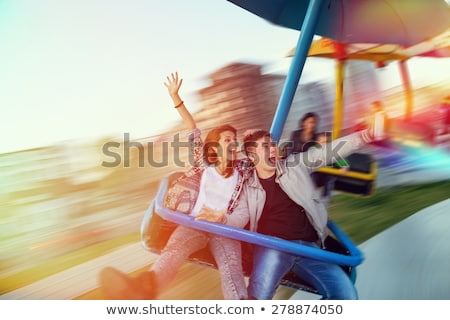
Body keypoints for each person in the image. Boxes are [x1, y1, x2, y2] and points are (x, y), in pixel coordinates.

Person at [98, 72, 252, 300]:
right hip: (196, 224)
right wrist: (175, 97)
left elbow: (266, 157)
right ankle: (140, 291)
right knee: (173, 251)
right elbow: (192, 128)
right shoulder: (203, 163)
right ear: (214, 148)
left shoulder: (244, 169)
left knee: (232, 272)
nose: (233, 143)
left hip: (224, 228)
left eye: (234, 139)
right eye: (227, 139)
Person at [232, 123, 380, 300]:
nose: (273, 149)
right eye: (265, 146)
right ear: (252, 155)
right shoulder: (247, 185)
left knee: (345, 295)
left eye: (273, 145)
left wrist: (365, 135)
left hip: (309, 248)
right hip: (274, 246)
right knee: (259, 296)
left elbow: (329, 152)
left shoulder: (295, 165)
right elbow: (234, 210)